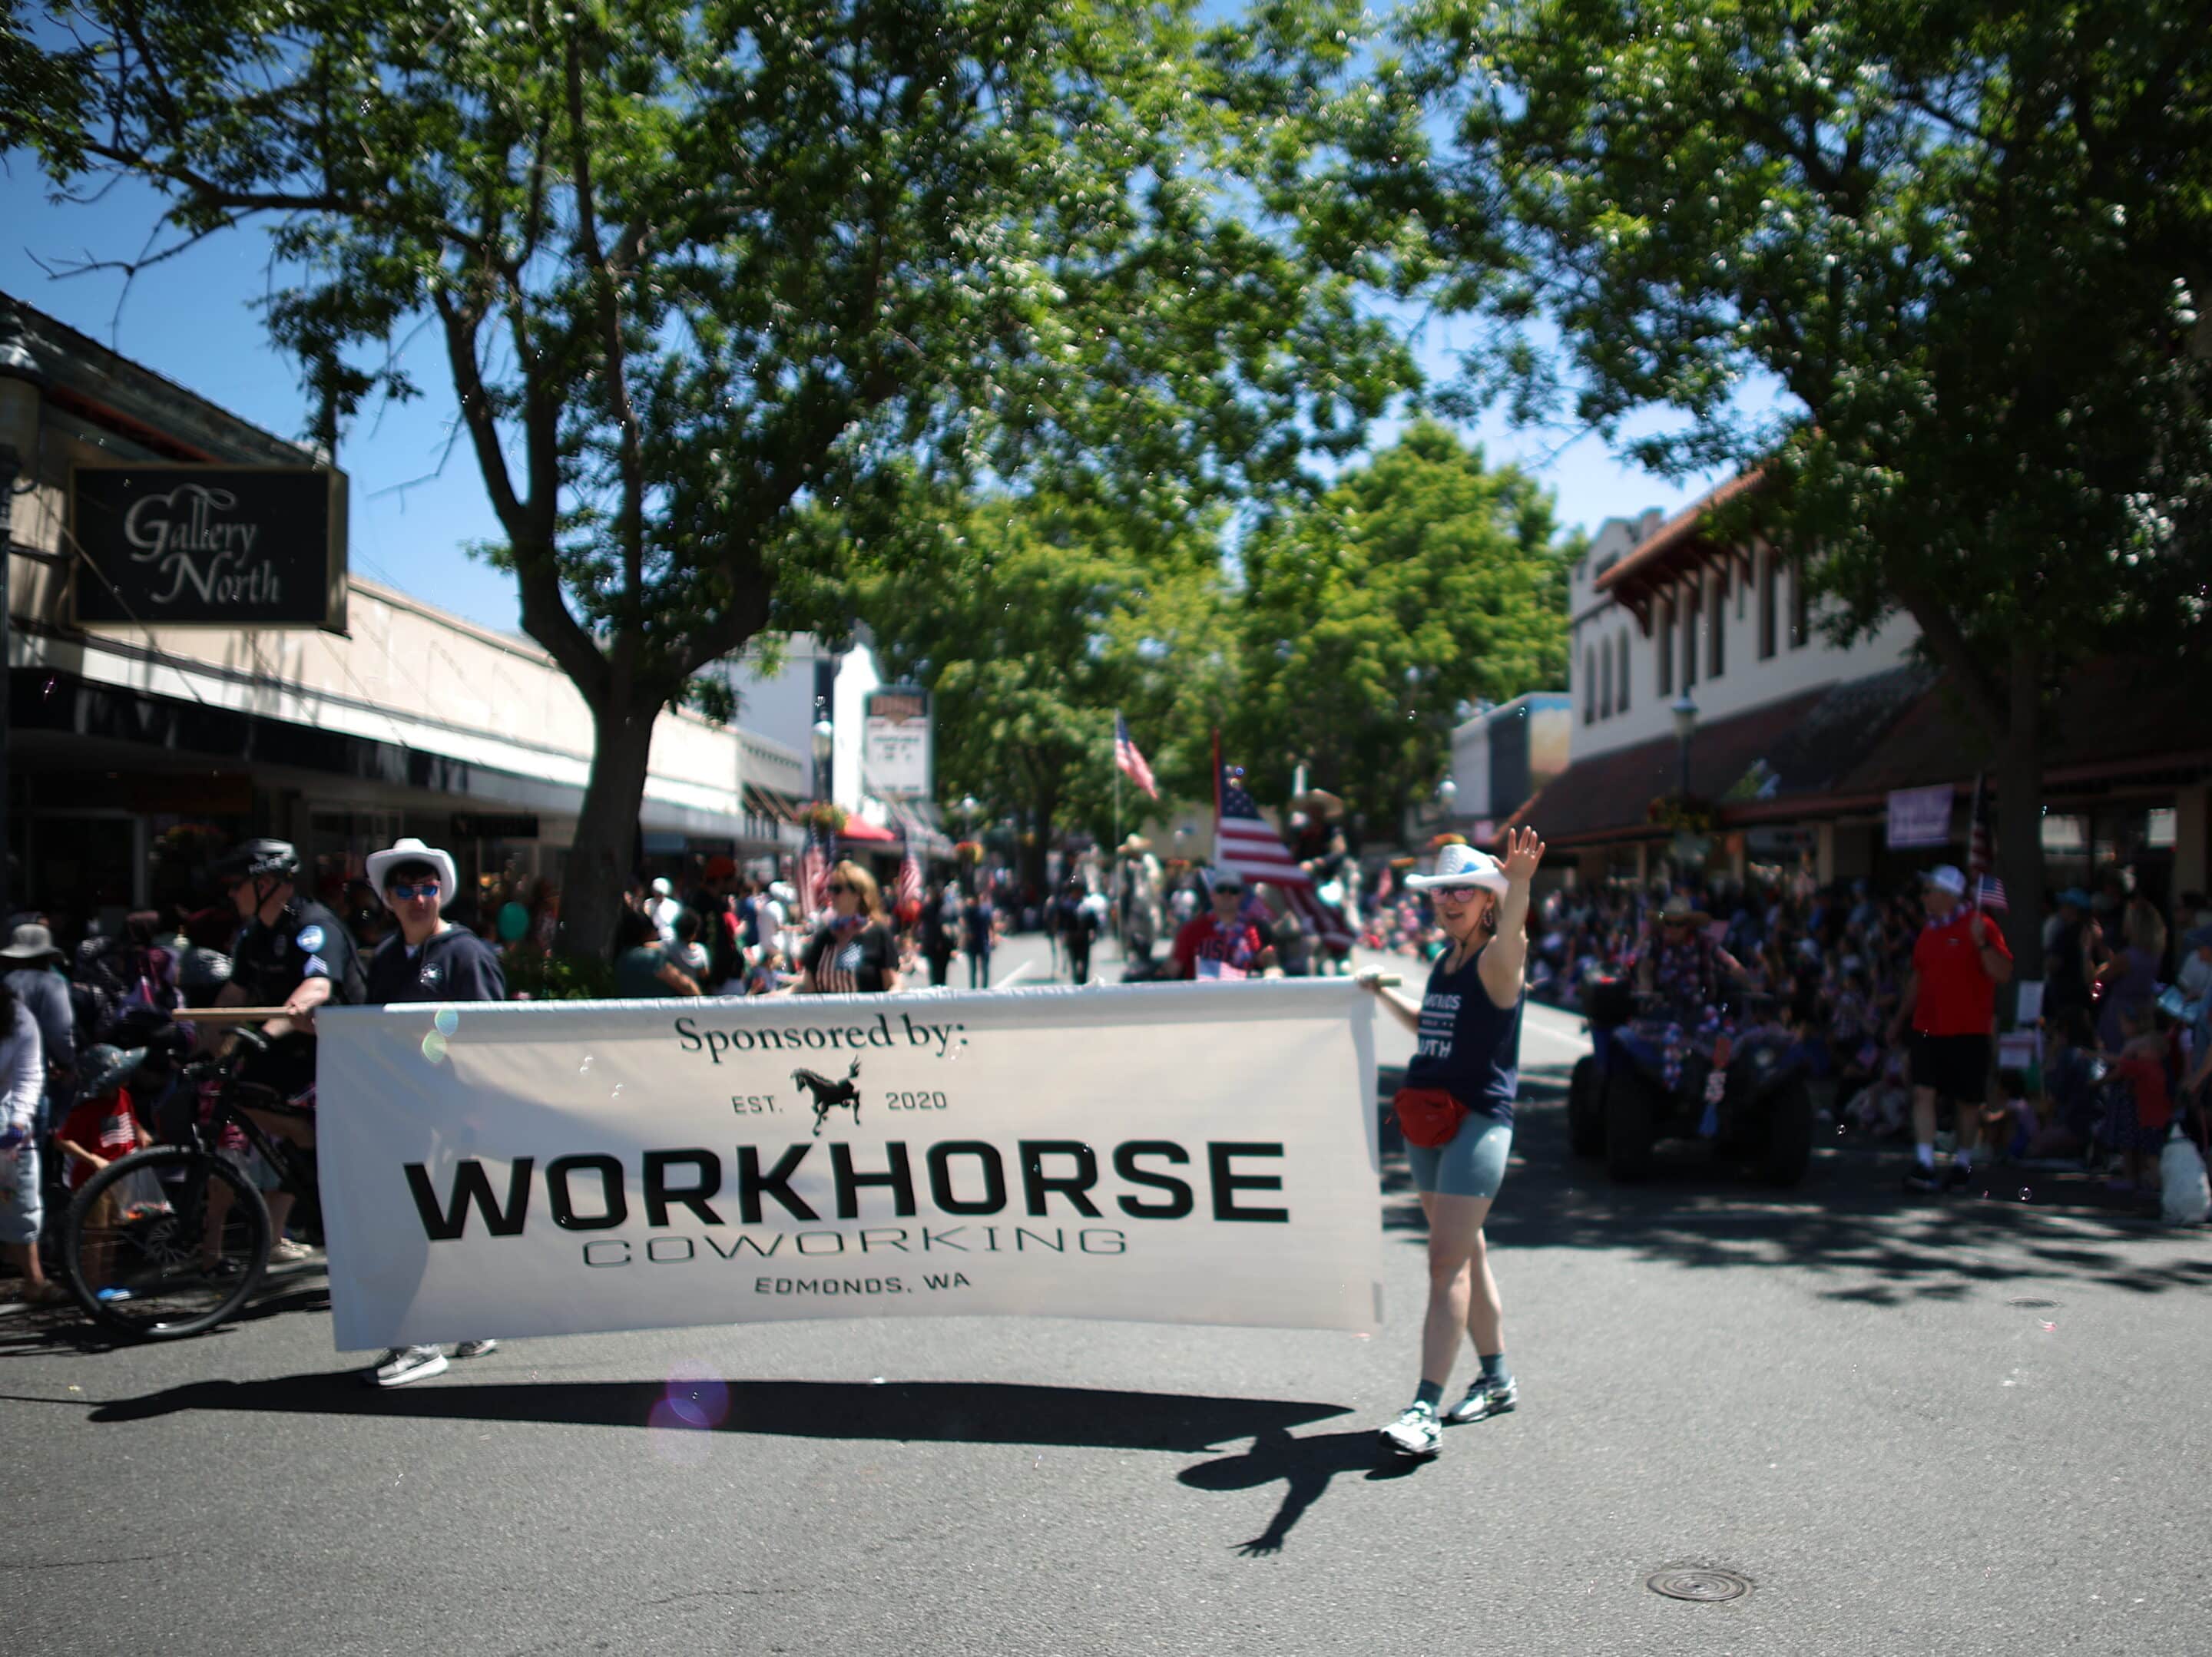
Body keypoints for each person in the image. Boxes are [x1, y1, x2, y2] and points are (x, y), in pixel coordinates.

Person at [1357, 828, 1545, 1460]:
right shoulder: (1447, 961)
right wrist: (1383, 994)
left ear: (1487, 900)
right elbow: (1432, 1023)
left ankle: (1423, 1409)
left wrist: (1518, 882)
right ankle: (1496, 1380)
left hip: (1476, 1124)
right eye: (1441, 891)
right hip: (1427, 1123)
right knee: (1469, 1256)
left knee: (1445, 1264)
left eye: (1464, 890)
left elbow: (1517, 934)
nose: (1449, 900)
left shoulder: (1495, 957)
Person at [359, 836, 508, 1385]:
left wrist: (474, 1113)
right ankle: (474, 1320)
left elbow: (490, 1039)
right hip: (402, 1115)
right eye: (406, 889)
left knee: (420, 1222)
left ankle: (420, 1342)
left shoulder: (466, 954)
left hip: (450, 1118)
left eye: (428, 888)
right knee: (439, 1222)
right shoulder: (386, 957)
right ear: (389, 899)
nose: (419, 898)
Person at [214, 837, 364, 1260]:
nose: (231, 893)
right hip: (290, 1048)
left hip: (340, 1053)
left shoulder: (314, 926)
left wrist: (267, 1029)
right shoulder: (254, 934)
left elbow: (316, 986)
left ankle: (340, 1209)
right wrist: (200, 1039)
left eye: (238, 883)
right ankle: (276, 1234)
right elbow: (232, 995)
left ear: (271, 883)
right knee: (245, 1104)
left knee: (309, 1135)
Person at [1889, 865, 2014, 1193]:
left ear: (1946, 894)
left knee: (1968, 1102)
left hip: (1969, 1029)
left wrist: (1982, 944)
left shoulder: (1981, 925)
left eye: (1928, 890)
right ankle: (1925, 1163)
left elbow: (2002, 974)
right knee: (1922, 1092)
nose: (1923, 897)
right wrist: (1900, 1018)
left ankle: (1962, 1164)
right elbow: (1918, 978)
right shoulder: (1928, 932)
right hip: (1928, 1028)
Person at [52, 1043, 154, 1299]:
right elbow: (62, 1140)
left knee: (113, 1231)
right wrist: (92, 1159)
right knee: (95, 1236)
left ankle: (107, 1281)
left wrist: (140, 1133)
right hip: (94, 1180)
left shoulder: (123, 1096)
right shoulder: (85, 1110)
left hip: (121, 1173)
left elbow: (130, 1120)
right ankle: (91, 1284)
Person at [0, 977, 60, 1304]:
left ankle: (34, 1280)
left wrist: (19, 1121)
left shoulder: (18, 1017)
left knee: (19, 1200)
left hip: (6, 1119)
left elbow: (28, 1075)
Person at [2, 922, 75, 1133]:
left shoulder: (5, 982)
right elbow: (60, 1031)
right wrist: (68, 1063)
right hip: (34, 1078)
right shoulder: (51, 983)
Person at [793, 863, 902, 995]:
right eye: (830, 889)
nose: (831, 895)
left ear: (857, 894)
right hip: (827, 1014)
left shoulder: (878, 935)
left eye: (837, 889)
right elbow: (808, 986)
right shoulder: (824, 937)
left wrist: (893, 997)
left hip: (865, 1014)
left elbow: (893, 984)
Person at [1171, 869, 1276, 980]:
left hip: (1242, 994)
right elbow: (1173, 969)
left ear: (1241, 896)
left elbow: (1269, 961)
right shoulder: (1192, 930)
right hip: (1202, 994)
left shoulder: (1254, 930)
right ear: (1212, 895)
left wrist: (1271, 967)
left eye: (1233, 891)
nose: (1227, 895)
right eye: (1221, 890)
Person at [613, 908, 702, 997]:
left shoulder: (622, 958)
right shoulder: (651, 958)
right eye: (654, 928)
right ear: (646, 932)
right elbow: (687, 986)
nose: (657, 932)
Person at [919, 882, 959, 988]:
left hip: (945, 945)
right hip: (932, 945)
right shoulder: (928, 908)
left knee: (942, 972)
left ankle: (942, 991)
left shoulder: (948, 909)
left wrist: (954, 944)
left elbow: (955, 926)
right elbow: (923, 925)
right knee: (934, 973)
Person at [962, 886, 996, 990]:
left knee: (985, 967)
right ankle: (973, 988)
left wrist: (993, 937)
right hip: (972, 942)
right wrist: (965, 938)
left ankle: (985, 988)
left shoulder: (986, 910)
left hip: (984, 940)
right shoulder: (968, 911)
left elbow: (991, 924)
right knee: (973, 968)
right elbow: (965, 925)